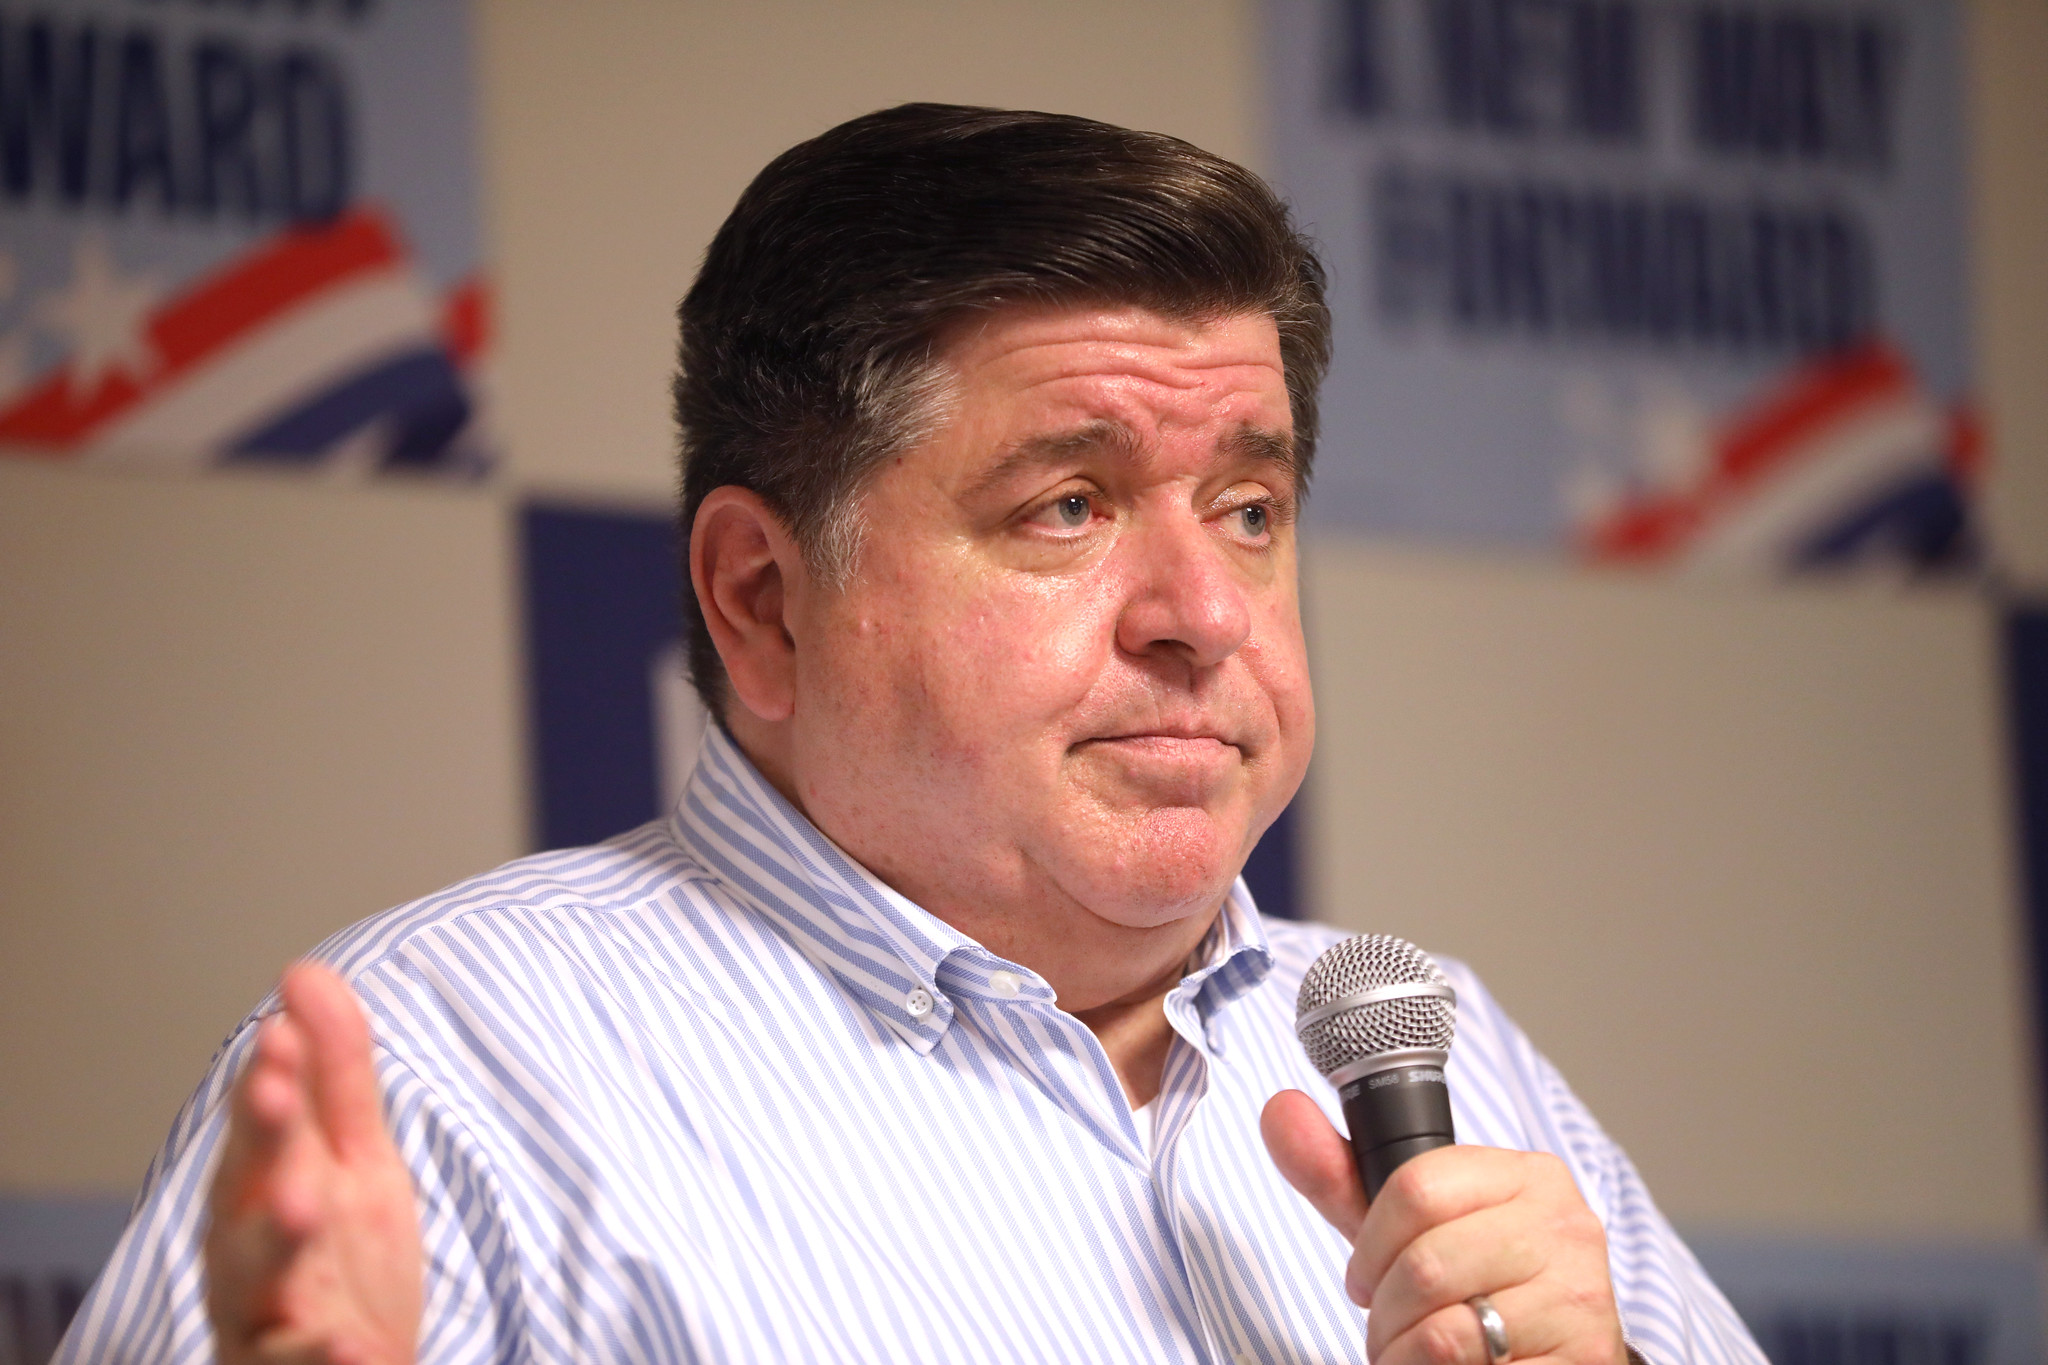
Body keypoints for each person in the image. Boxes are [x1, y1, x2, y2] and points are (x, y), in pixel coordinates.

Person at [57, 104, 1763, 1365]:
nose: (1205, 610)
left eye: (1249, 509)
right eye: (1069, 504)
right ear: (762, 600)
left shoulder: (1444, 1055)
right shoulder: (445, 1073)